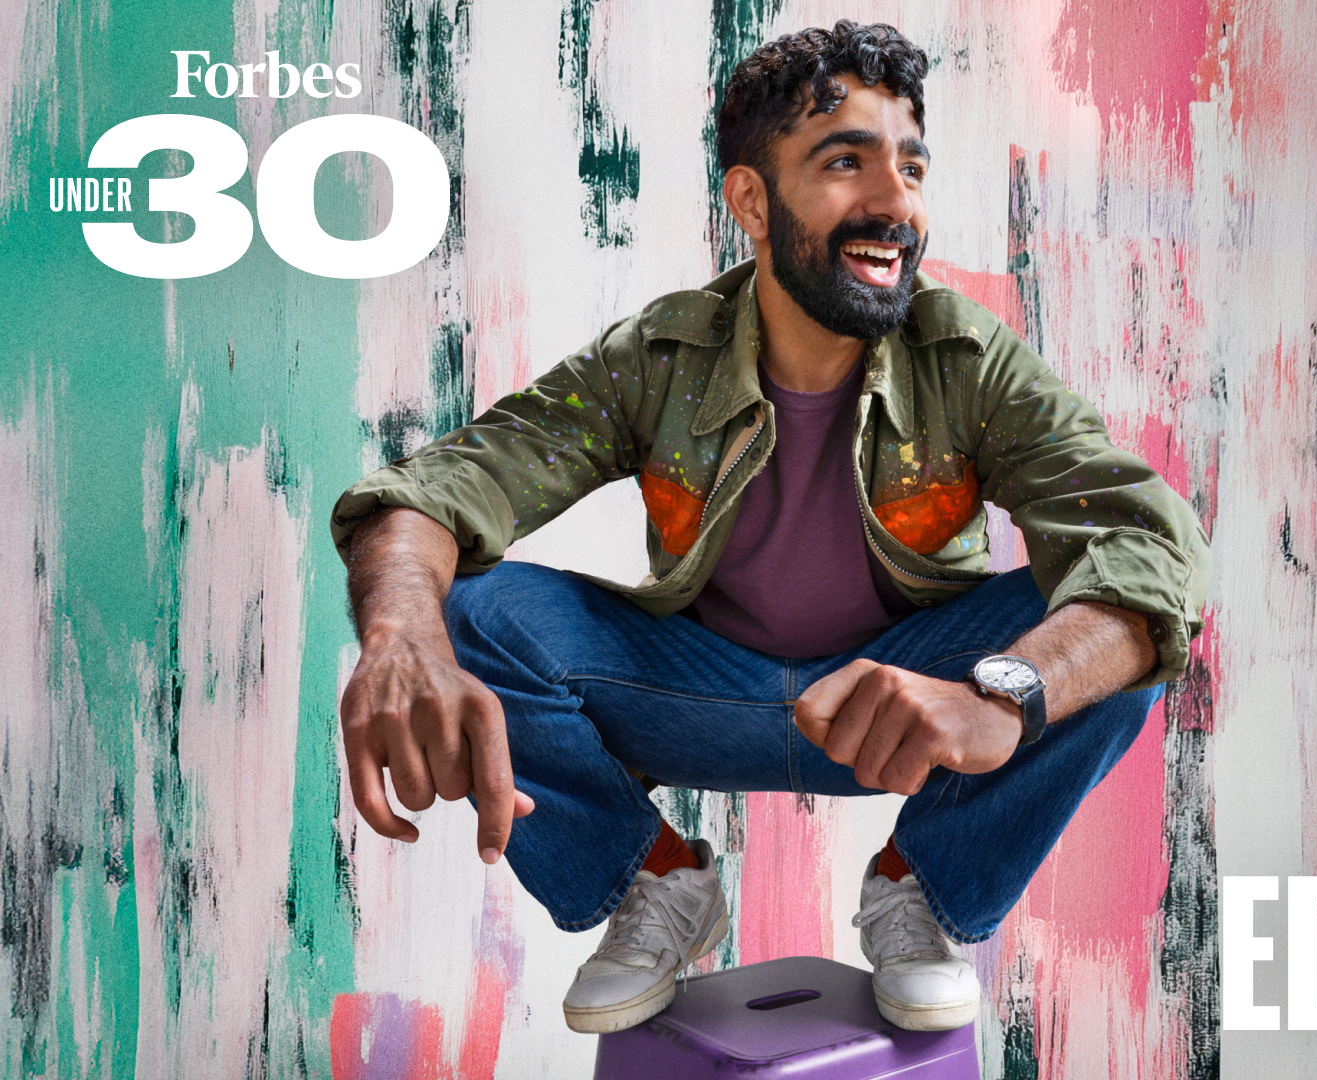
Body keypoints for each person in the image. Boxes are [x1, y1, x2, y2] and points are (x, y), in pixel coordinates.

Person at [330, 20, 1210, 1036]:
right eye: (846, 162)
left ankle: (917, 885)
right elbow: (440, 489)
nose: (894, 202)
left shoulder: (968, 360)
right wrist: (400, 639)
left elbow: (1149, 545)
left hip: (907, 699)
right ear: (751, 199)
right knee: (472, 614)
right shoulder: (657, 359)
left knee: (1117, 635)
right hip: (699, 692)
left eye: (910, 166)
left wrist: (1006, 696)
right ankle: (654, 878)